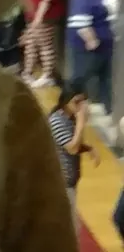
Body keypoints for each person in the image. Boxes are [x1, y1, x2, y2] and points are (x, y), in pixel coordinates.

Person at [66, 0, 116, 121]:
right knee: (80, 78)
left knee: (106, 80)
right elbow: (79, 21)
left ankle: (109, 111)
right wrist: (92, 40)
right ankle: (67, 110)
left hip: (106, 48)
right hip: (89, 49)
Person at [48, 88, 100, 235]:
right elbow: (71, 148)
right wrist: (81, 123)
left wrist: (88, 148)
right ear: (65, 102)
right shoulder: (57, 121)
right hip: (60, 182)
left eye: (82, 102)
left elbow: (71, 144)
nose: (81, 106)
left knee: (67, 226)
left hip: (69, 181)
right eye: (76, 102)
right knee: (70, 228)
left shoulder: (69, 118)